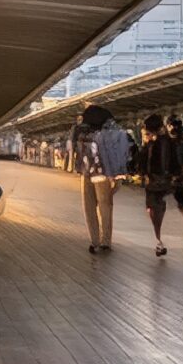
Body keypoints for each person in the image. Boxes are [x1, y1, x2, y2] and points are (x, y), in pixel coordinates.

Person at [68, 104, 131, 254]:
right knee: (105, 206)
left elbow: (75, 150)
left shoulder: (81, 131)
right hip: (103, 174)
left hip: (86, 173)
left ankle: (94, 240)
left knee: (89, 207)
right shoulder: (109, 132)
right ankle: (105, 241)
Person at [139, 114, 183, 262]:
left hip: (157, 185)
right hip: (178, 183)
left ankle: (160, 242)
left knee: (155, 212)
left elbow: (143, 166)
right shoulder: (179, 143)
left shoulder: (152, 145)